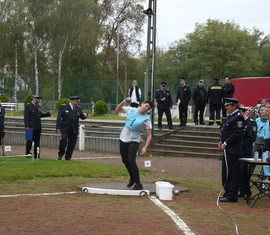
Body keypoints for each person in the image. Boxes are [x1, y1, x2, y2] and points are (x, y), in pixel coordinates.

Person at [115, 99, 154, 190]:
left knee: (131, 160)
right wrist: (123, 102)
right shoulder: (131, 110)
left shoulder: (146, 119)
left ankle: (138, 183)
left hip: (134, 140)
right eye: (146, 105)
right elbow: (117, 110)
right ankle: (132, 178)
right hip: (123, 138)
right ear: (142, 104)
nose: (146, 108)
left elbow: (149, 135)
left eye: (148, 108)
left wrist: (145, 147)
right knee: (125, 160)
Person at [218, 98, 245, 202]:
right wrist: (220, 141)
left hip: (233, 150)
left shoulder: (238, 117)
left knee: (232, 172)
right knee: (226, 172)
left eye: (228, 105)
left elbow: (237, 134)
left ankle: (232, 195)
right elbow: (225, 130)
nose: (226, 107)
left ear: (234, 106)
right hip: (228, 149)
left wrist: (226, 143)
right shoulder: (231, 116)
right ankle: (228, 192)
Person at [56, 96, 88, 160]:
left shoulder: (78, 108)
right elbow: (59, 117)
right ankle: (60, 154)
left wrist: (85, 115)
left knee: (72, 144)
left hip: (74, 129)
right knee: (63, 140)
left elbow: (81, 116)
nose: (77, 103)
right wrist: (58, 127)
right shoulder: (64, 107)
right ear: (72, 101)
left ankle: (68, 156)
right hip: (65, 128)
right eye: (76, 101)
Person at [238, 106, 257, 200]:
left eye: (241, 113)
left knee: (245, 172)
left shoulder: (251, 123)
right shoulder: (239, 123)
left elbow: (252, 138)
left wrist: (240, 144)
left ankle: (247, 192)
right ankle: (241, 190)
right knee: (238, 172)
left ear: (244, 113)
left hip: (246, 151)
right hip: (238, 151)